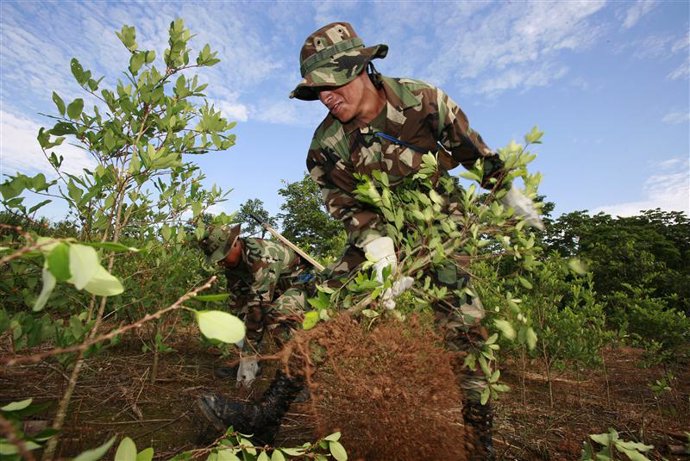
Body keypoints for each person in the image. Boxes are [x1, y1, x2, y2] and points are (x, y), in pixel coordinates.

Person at [198, 22, 543, 456]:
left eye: (330, 84)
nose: (326, 97)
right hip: (375, 238)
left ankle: (480, 448)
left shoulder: (423, 100)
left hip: (439, 235)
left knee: (468, 334)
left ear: (360, 68)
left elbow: (471, 149)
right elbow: (345, 206)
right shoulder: (325, 146)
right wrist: (379, 248)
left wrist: (505, 187)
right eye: (317, 91)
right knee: (313, 312)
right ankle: (266, 418)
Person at [197, 224, 312, 388]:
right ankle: (254, 365)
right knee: (238, 316)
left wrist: (248, 355)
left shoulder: (261, 257)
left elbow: (258, 308)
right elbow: (238, 302)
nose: (220, 262)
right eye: (217, 259)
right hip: (275, 288)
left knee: (274, 316)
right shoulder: (231, 266)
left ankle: (301, 375)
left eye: (223, 255)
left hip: (301, 284)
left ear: (235, 243)